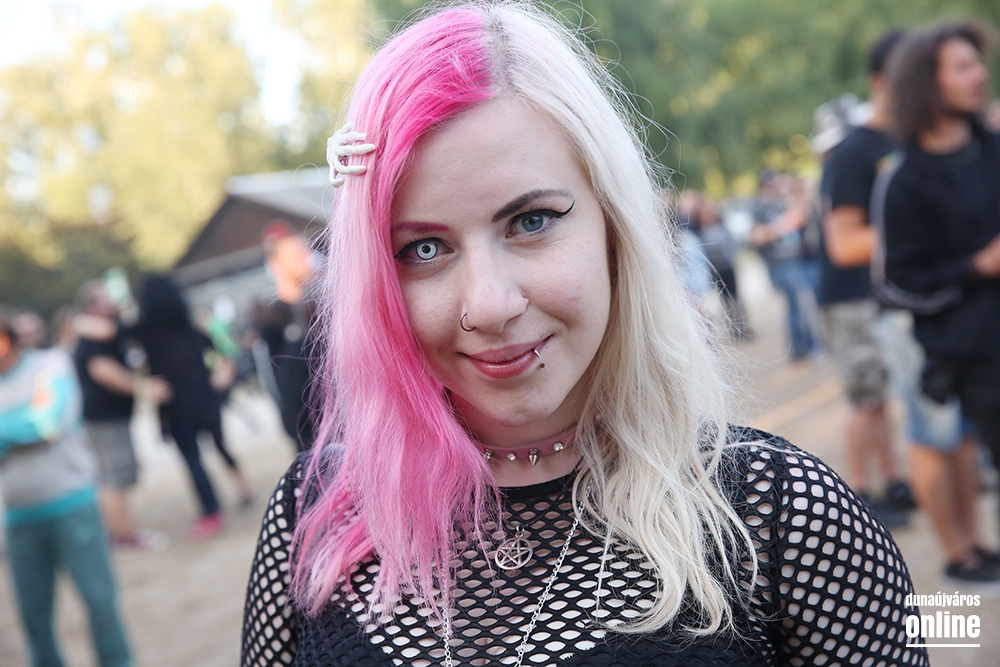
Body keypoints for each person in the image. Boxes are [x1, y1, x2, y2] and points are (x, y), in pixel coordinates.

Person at [242, 4, 926, 666]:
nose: (490, 305)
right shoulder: (314, 515)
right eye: (423, 249)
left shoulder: (786, 517)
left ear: (613, 225)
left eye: (531, 221)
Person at [872, 20, 1000, 583]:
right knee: (941, 442)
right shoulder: (903, 181)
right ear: (928, 81)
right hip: (972, 356)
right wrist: (977, 266)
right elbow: (899, 282)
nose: (981, 75)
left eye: (978, 62)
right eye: (963, 66)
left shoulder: (994, 149)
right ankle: (960, 555)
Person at [815, 34, 916, 531]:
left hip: (875, 294)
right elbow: (843, 242)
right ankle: (858, 492)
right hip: (847, 296)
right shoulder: (853, 151)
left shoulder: (899, 140)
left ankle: (893, 479)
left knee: (881, 394)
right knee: (865, 399)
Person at [0, 307, 132, 667]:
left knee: (100, 603)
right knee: (33, 618)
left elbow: (46, 423)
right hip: (19, 519)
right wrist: (19, 425)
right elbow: (35, 424)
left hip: (73, 507)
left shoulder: (50, 365)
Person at [74, 280, 172, 549]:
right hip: (106, 418)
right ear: (91, 307)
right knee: (114, 478)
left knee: (109, 477)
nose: (111, 301)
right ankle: (125, 535)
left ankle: (120, 532)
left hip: (104, 417)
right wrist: (142, 387)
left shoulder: (100, 330)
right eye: (103, 298)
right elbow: (102, 371)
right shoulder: (96, 335)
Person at [254, 221, 320, 452]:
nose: (305, 258)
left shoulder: (321, 303)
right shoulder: (272, 319)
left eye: (305, 251)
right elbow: (272, 378)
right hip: (306, 430)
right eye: (295, 253)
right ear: (276, 263)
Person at [749, 171, 822, 361]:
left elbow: (802, 212)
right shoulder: (759, 207)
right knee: (798, 304)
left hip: (794, 261)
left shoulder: (781, 203)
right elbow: (756, 237)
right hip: (780, 264)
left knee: (800, 305)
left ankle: (805, 348)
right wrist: (782, 226)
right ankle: (801, 349)